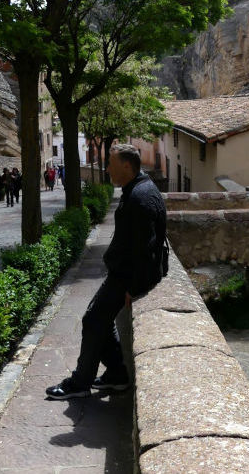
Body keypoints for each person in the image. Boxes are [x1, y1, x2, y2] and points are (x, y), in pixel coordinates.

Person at [46, 144, 167, 400]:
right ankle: (116, 374)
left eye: (110, 163)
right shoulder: (137, 190)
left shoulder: (140, 196)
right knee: (97, 319)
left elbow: (146, 249)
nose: (106, 168)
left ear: (126, 165)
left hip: (127, 277)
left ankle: (81, 382)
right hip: (123, 273)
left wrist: (133, 289)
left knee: (93, 320)